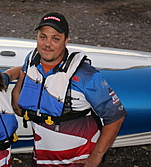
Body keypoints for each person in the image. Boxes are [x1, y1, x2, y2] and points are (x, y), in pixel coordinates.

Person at [12, 12, 127, 167]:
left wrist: (96, 156)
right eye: (43, 36)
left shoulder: (86, 75)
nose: (47, 44)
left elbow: (116, 115)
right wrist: (16, 93)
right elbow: (24, 73)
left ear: (66, 41)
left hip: (75, 160)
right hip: (42, 157)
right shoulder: (32, 58)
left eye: (55, 39)